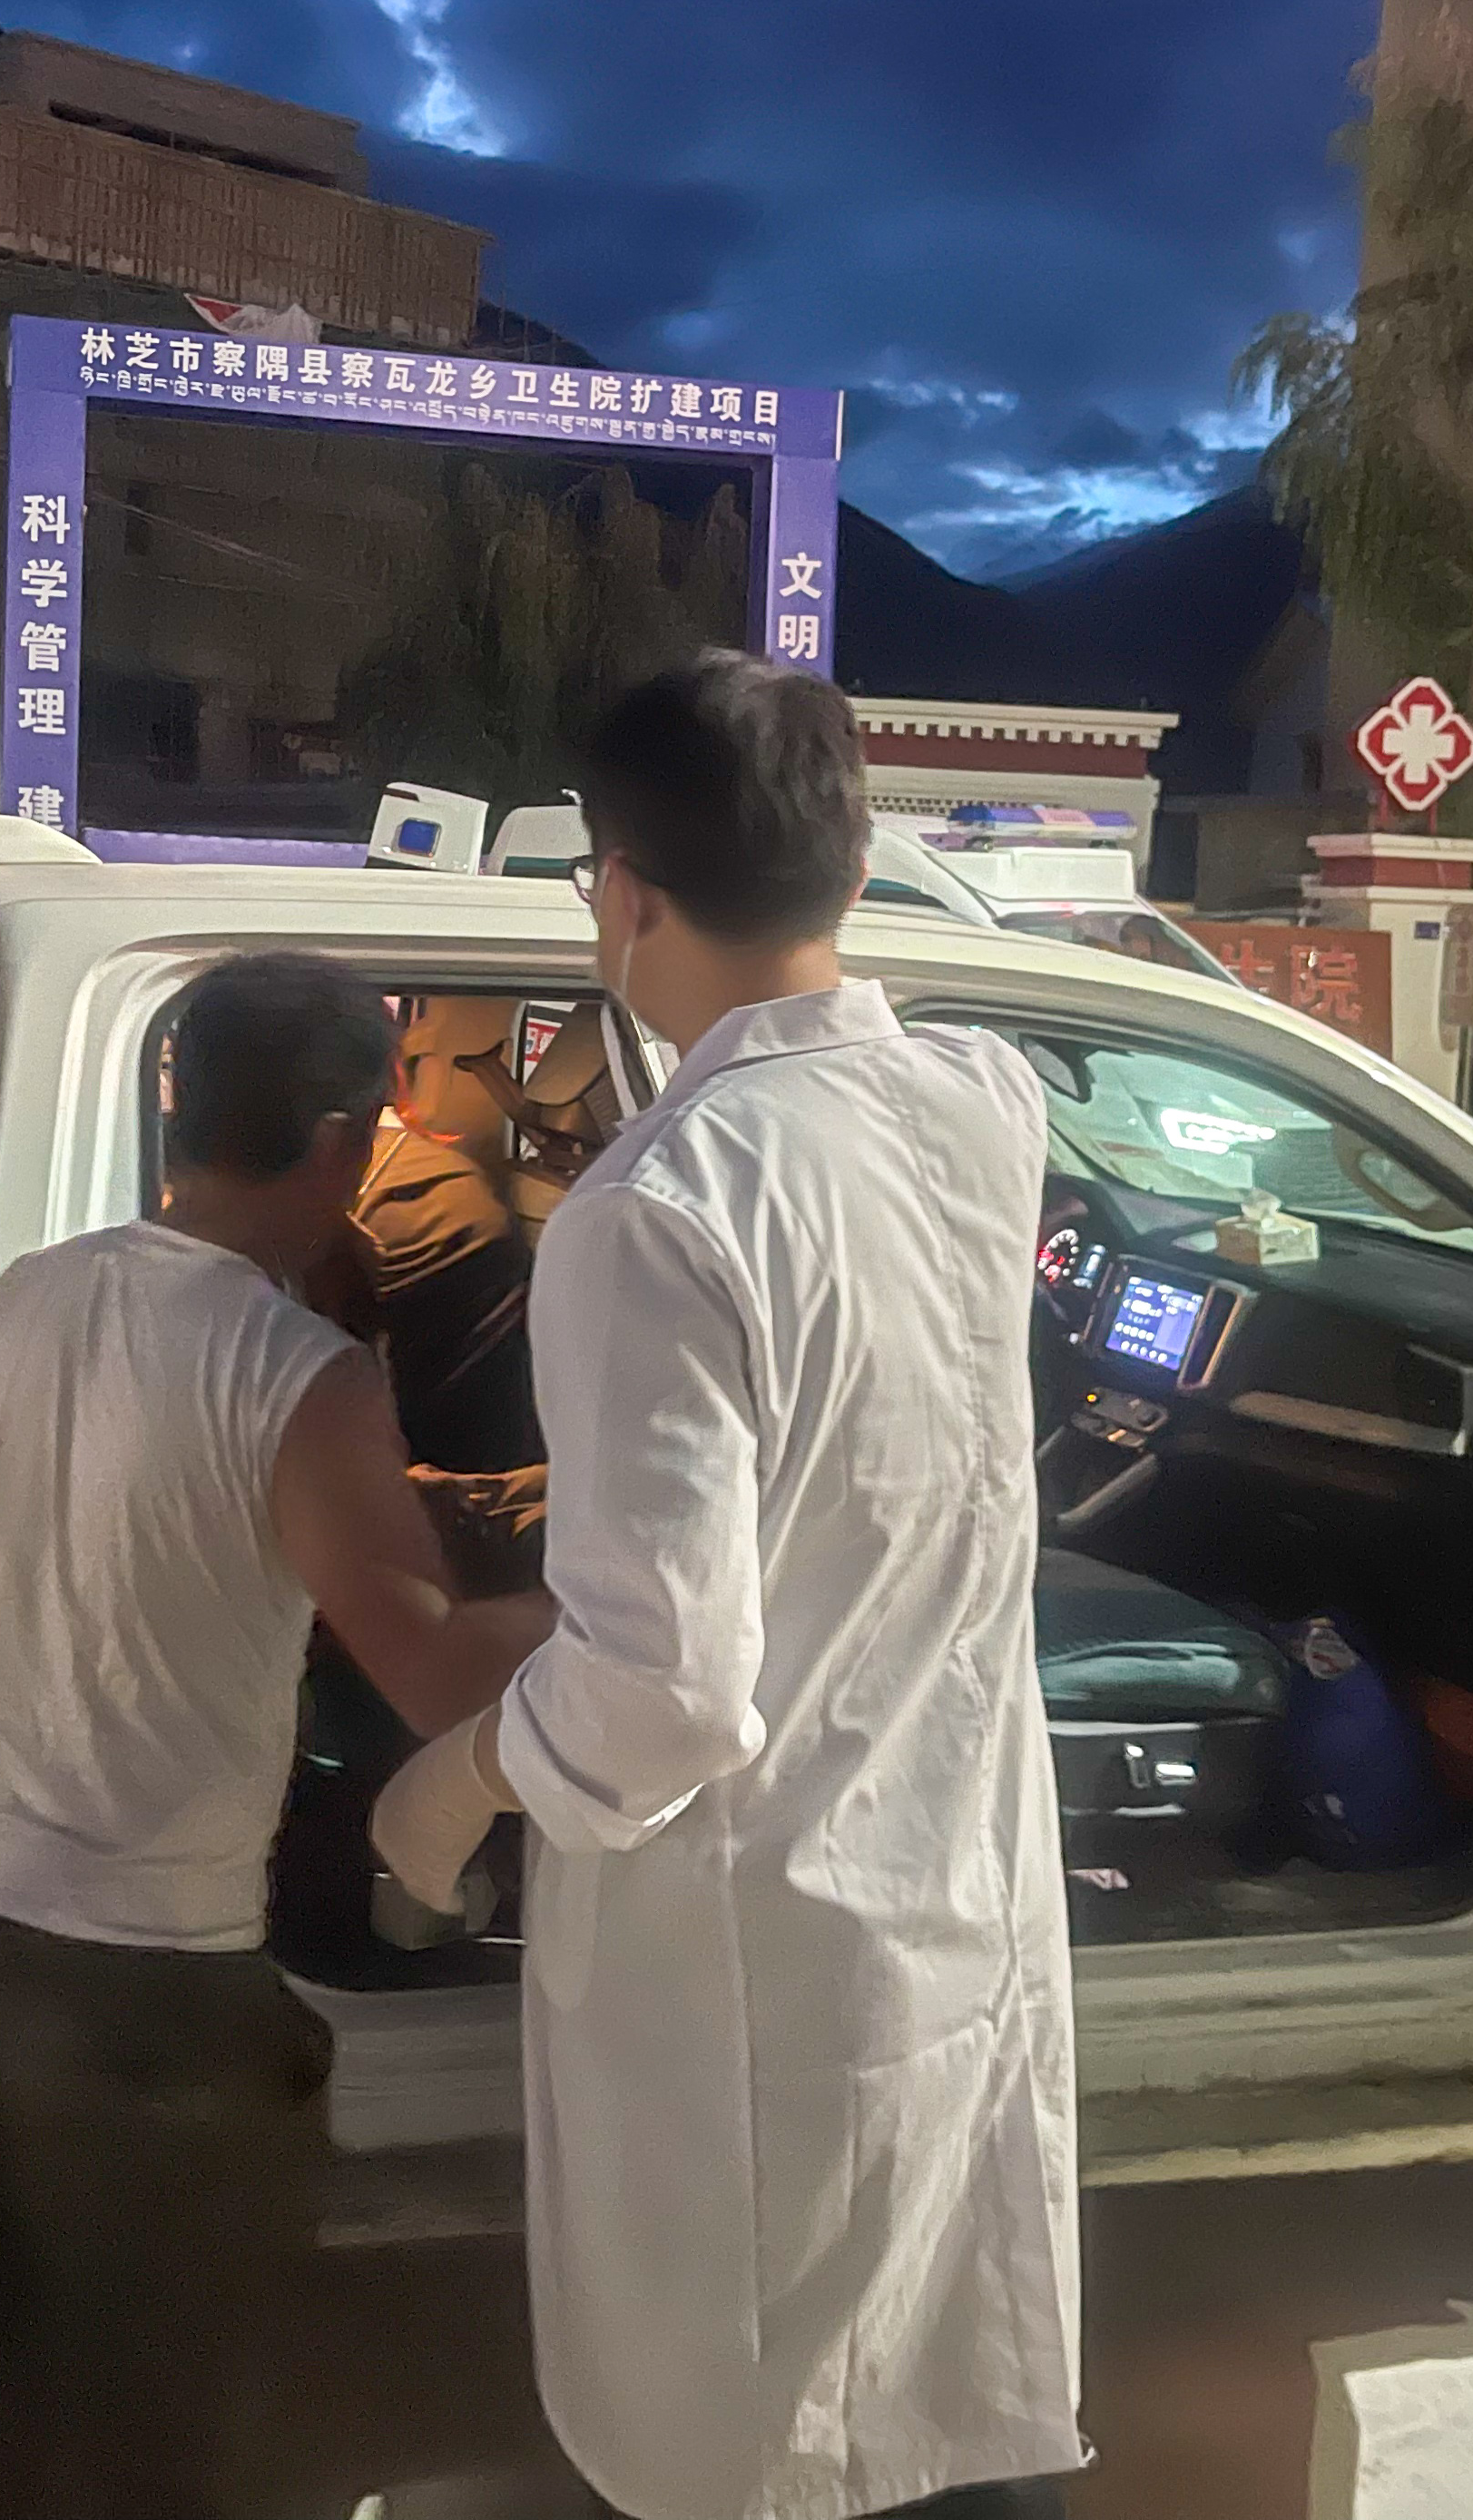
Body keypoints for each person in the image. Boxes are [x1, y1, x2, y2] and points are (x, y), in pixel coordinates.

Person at [375, 652, 1077, 2520]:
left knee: (773, 2445)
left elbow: (666, 1692)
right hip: (951, 1889)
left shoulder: (655, 1208)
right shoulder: (982, 1106)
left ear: (619, 892)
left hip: (764, 1964)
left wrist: (446, 1784)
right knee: (941, 2419)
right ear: (852, 869)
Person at [0, 951, 554, 2517]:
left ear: (179, 1102)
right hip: (146, 1984)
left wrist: (89, 1598)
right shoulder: (297, 1370)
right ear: (346, 1135)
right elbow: (438, 1675)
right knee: (163, 2431)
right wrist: (622, 1588)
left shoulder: (32, 1292)